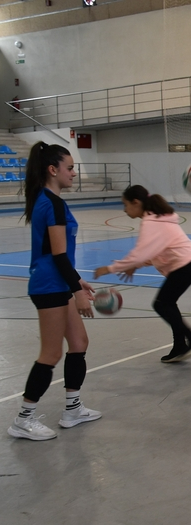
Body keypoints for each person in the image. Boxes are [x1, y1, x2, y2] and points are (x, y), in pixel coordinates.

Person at [8, 142, 101, 441]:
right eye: (70, 168)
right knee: (50, 354)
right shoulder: (52, 203)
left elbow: (57, 254)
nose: (74, 173)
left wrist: (77, 282)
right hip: (50, 286)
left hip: (58, 281)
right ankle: (24, 418)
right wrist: (77, 291)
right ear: (53, 169)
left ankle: (72, 409)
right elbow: (58, 256)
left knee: (79, 342)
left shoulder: (47, 200)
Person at [93, 185, 191, 364]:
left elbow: (140, 253)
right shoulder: (156, 218)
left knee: (161, 304)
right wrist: (136, 265)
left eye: (125, 205)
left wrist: (110, 268)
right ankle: (180, 346)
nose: (124, 210)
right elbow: (155, 251)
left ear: (136, 202)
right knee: (167, 303)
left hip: (186, 265)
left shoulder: (151, 222)